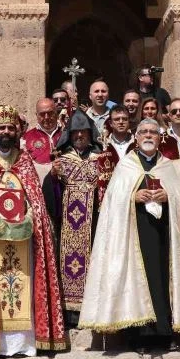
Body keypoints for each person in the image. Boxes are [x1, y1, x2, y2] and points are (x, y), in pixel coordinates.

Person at [0, 104, 67, 357]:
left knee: (23, 283)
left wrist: (32, 216)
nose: (6, 132)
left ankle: (25, 343)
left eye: (11, 127)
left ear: (17, 131)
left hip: (24, 237)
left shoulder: (25, 161)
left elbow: (36, 200)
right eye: (1, 128)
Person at [80, 119, 180, 350]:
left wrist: (168, 195)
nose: (148, 136)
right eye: (144, 132)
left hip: (162, 236)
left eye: (153, 132)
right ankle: (137, 337)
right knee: (136, 278)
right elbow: (111, 202)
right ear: (136, 137)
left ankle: (163, 334)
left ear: (160, 138)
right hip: (132, 234)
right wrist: (132, 197)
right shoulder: (125, 165)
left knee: (160, 279)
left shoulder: (167, 166)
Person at [42, 110, 106, 325]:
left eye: (84, 132)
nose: (80, 136)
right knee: (68, 265)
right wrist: (53, 177)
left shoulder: (100, 159)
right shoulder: (62, 160)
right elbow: (50, 194)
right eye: (76, 132)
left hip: (95, 222)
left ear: (90, 134)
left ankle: (94, 311)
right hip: (68, 224)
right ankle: (70, 314)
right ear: (69, 134)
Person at [24, 98, 62, 181]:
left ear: (56, 113)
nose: (46, 117)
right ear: (36, 115)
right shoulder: (26, 138)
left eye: (50, 113)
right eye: (42, 114)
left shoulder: (66, 133)